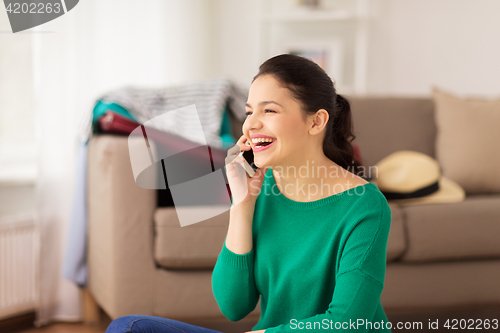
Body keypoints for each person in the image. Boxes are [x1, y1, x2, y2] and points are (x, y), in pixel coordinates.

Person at [106, 53, 392, 333]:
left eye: (269, 110)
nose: (251, 124)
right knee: (130, 328)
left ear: (316, 122)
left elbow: (348, 322)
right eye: (249, 111)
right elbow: (233, 306)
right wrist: (242, 205)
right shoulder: (261, 190)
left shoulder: (364, 205)